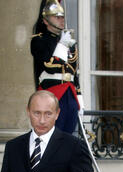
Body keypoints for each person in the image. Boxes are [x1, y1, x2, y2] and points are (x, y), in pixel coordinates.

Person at [31, 0, 84, 134]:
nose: (61, 20)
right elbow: (50, 66)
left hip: (69, 94)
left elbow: (73, 74)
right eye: (57, 17)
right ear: (46, 21)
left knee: (67, 138)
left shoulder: (69, 42)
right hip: (52, 93)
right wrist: (61, 45)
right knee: (51, 137)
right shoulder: (39, 40)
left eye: (62, 17)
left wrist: (79, 99)